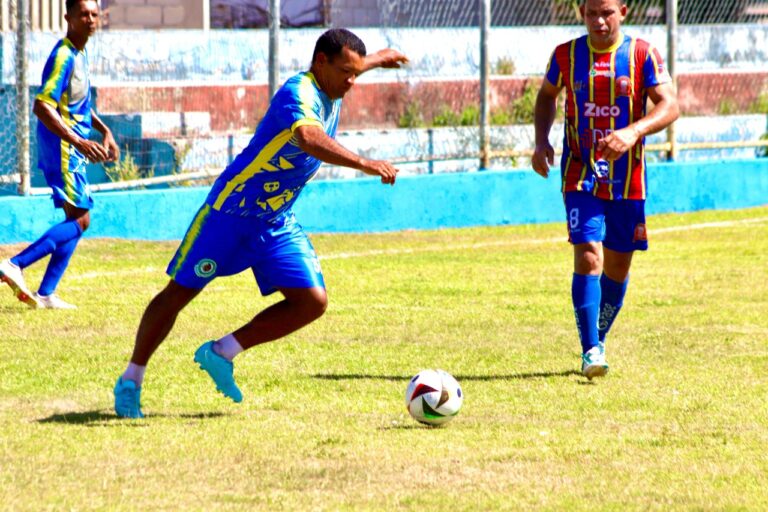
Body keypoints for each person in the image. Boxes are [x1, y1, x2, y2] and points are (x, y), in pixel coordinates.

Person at [113, 28, 408, 418]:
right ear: (320, 62)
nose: (351, 82)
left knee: (311, 302)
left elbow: (356, 65)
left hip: (275, 220)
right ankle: (131, 379)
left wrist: (380, 58)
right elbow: (308, 138)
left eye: (356, 73)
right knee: (178, 295)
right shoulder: (296, 95)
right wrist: (363, 163)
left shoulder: (335, 78)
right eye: (345, 73)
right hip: (229, 215)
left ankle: (223, 352)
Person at [531, 0, 679, 379]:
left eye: (607, 13)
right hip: (580, 173)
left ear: (623, 12)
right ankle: (590, 350)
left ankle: (597, 335)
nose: (599, 21)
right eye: (592, 12)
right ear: (581, 11)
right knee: (588, 257)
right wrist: (541, 140)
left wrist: (633, 131)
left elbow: (670, 105)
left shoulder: (643, 54)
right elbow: (547, 95)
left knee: (617, 267)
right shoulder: (565, 55)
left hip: (628, 180)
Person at [0, 0, 118, 310]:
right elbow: (43, 105)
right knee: (79, 219)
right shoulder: (64, 55)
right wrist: (78, 141)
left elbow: (78, 103)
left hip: (70, 147)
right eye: (84, 14)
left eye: (94, 14)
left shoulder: (80, 53)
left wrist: (104, 130)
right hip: (64, 147)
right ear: (68, 17)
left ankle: (46, 293)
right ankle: (15, 264)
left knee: (79, 218)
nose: (90, 19)